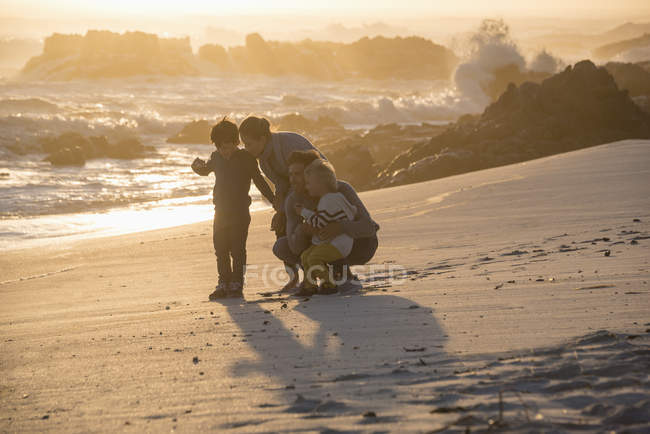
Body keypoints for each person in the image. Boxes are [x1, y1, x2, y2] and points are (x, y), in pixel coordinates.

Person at [191, 118, 275, 299]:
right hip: (220, 212)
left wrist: (273, 200)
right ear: (216, 146)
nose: (225, 151)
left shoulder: (246, 158)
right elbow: (205, 170)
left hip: (240, 213)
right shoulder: (216, 157)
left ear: (236, 143)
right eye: (221, 147)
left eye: (228, 147)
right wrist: (196, 167)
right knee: (220, 249)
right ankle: (223, 283)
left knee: (237, 249)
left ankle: (236, 283)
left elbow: (259, 181)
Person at [273, 150, 379, 292]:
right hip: (319, 245)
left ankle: (344, 275)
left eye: (297, 174)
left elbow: (368, 227)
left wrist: (340, 227)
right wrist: (303, 231)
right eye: (290, 174)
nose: (292, 179)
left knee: (341, 236)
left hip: (355, 245)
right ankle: (314, 277)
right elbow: (294, 247)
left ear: (312, 173)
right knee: (281, 246)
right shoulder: (293, 200)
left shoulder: (340, 189)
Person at [239, 115, 326, 285]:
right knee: (280, 224)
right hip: (297, 193)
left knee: (290, 221)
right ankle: (294, 276)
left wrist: (285, 208)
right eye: (243, 143)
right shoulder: (263, 159)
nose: (246, 148)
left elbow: (302, 177)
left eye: (248, 143)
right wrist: (279, 204)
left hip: (318, 186)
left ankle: (313, 273)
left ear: (262, 138)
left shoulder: (288, 144)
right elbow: (281, 183)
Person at [295, 160, 357, 296]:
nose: (307, 187)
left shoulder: (328, 200)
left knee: (313, 258)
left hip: (339, 244)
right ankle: (310, 285)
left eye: (309, 183)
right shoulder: (332, 198)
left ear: (320, 184)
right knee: (306, 255)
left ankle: (329, 283)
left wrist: (304, 212)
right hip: (334, 242)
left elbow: (319, 222)